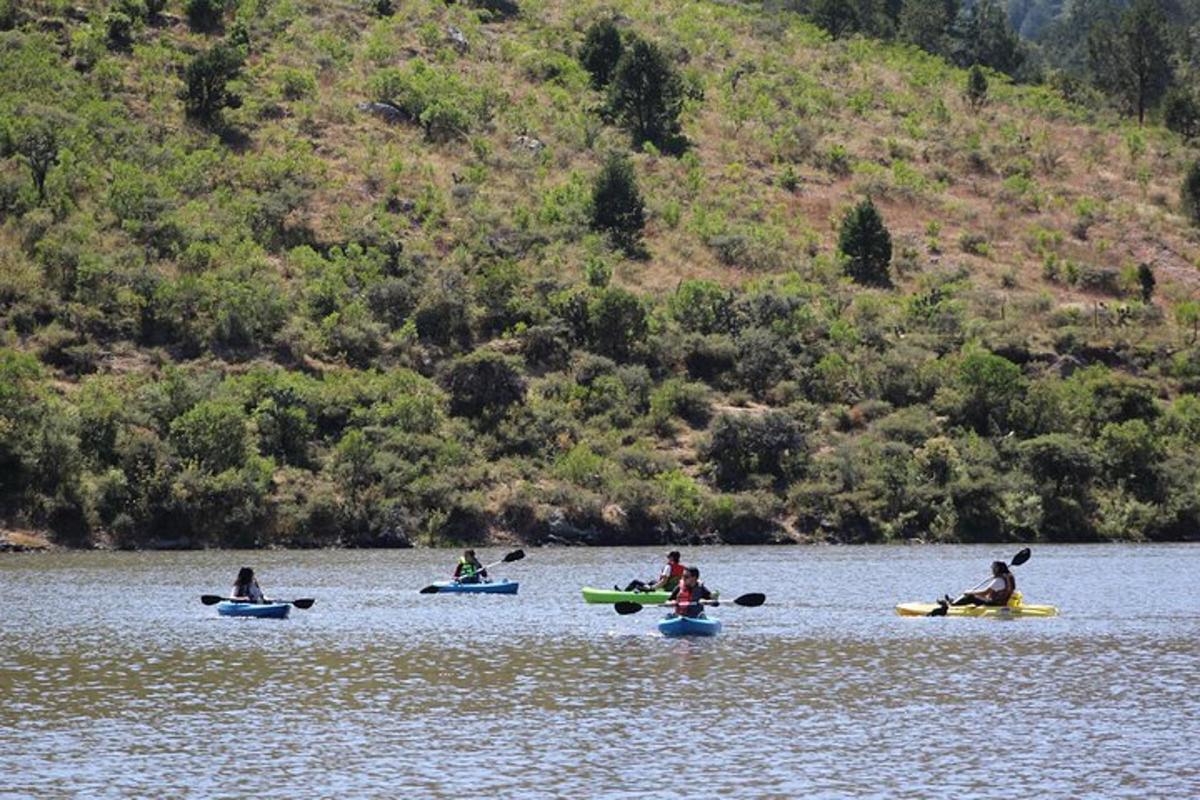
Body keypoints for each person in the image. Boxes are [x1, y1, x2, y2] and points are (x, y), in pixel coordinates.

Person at [941, 561, 1015, 609]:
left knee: (970, 596)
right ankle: (956, 601)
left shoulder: (998, 580)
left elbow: (985, 593)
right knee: (976, 595)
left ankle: (952, 605)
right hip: (1001, 602)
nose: (992, 570)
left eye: (993, 568)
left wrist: (970, 592)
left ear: (997, 569)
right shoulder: (1008, 578)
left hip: (994, 604)